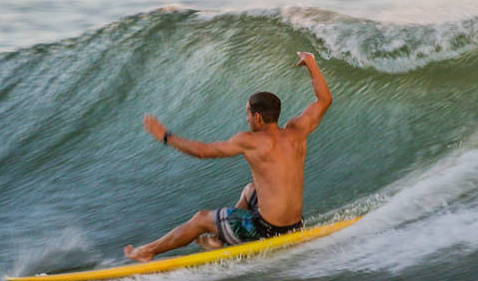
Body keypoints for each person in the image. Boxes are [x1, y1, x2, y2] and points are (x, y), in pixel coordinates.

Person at [123, 51, 332, 262]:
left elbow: (203, 152)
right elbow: (325, 100)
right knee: (251, 189)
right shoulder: (298, 130)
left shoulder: (250, 141)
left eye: (248, 113)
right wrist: (310, 61)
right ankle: (219, 240)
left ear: (257, 117)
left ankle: (147, 251)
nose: (246, 118)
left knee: (201, 219)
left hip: (266, 230)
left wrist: (165, 136)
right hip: (295, 226)